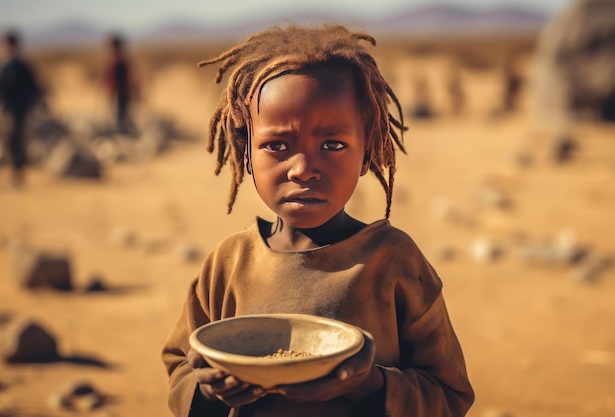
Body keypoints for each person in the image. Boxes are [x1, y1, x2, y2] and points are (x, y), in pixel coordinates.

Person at [162, 24, 474, 417]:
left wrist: (369, 384)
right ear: (246, 156)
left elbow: (449, 395)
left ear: (367, 154)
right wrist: (208, 391)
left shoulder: (393, 260)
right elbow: (180, 367)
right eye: (277, 145)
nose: (304, 169)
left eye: (333, 145)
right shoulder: (228, 263)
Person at [0, 30, 41, 186]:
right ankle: (17, 173)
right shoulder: (15, 65)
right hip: (15, 110)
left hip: (13, 111)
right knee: (13, 141)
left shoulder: (13, 66)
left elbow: (2, 87)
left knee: (13, 141)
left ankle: (17, 174)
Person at [102, 33, 137, 134]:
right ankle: (123, 131)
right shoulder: (118, 59)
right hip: (118, 92)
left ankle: (123, 132)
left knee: (121, 114)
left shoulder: (119, 60)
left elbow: (128, 76)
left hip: (121, 92)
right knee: (120, 113)